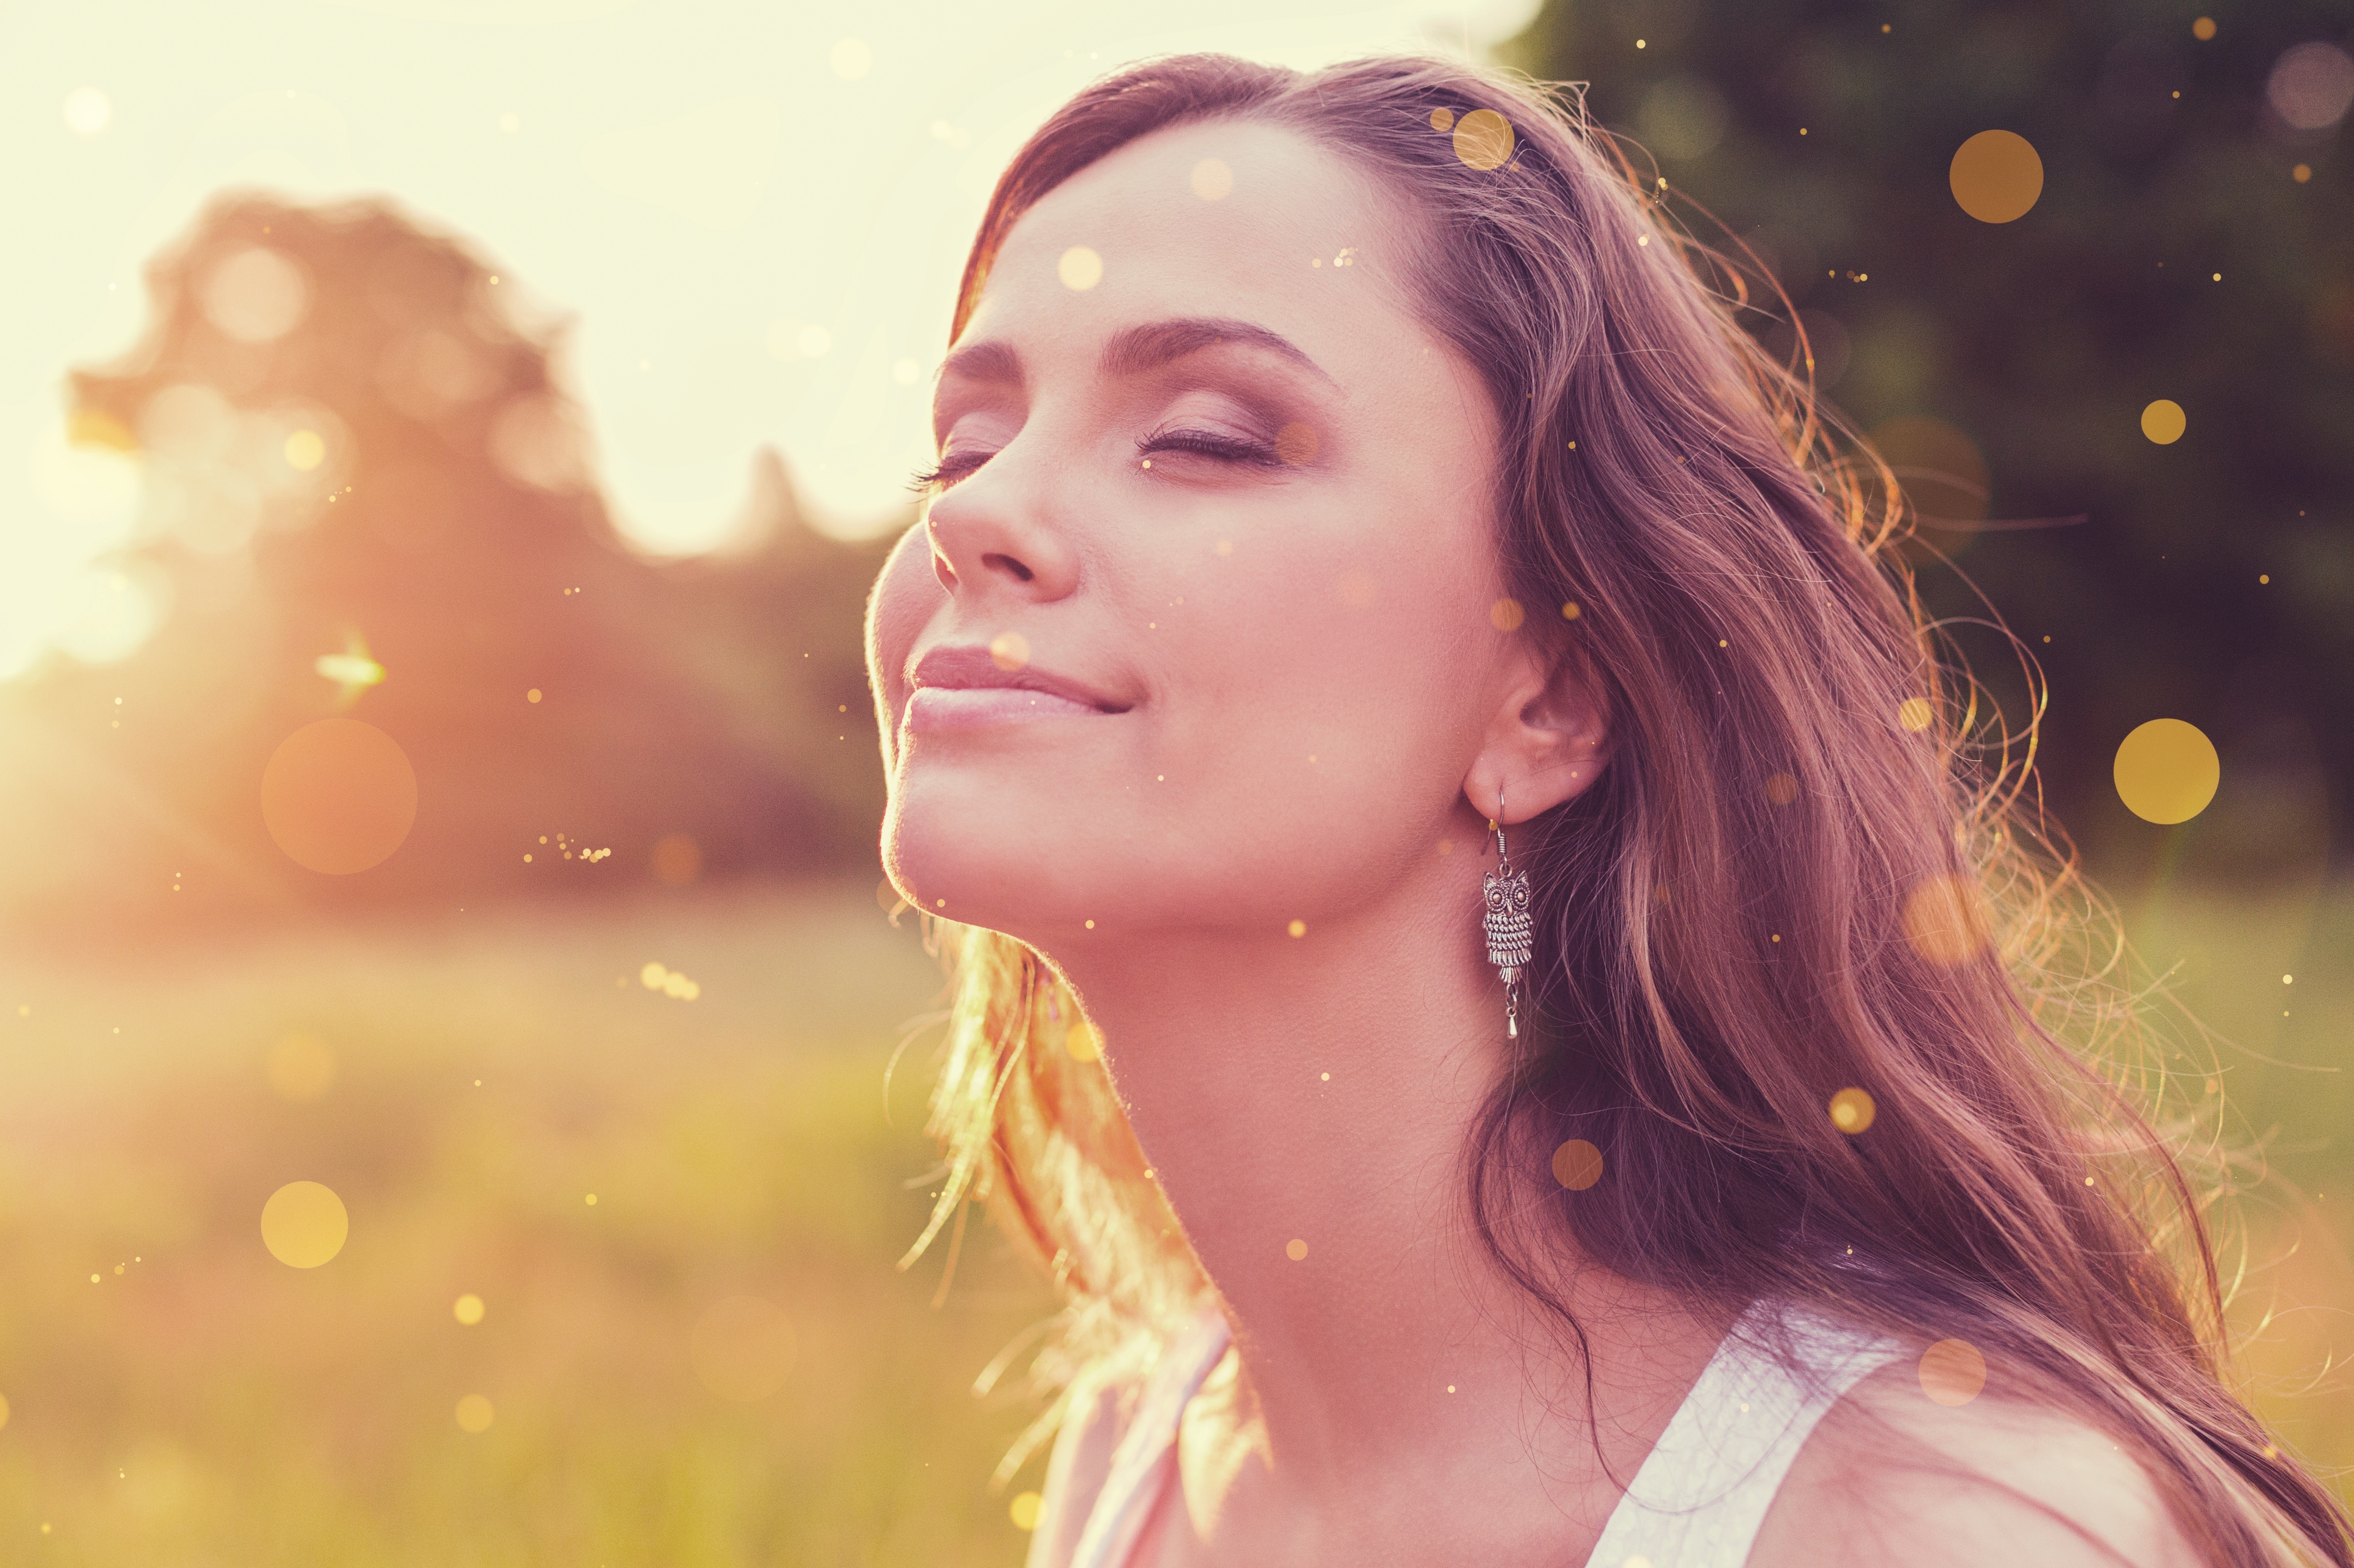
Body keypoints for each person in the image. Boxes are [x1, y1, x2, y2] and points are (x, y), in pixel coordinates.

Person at [862, 52, 2351, 1568]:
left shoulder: (1939, 1531)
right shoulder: (1142, 1461)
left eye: (1205, 437)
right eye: (965, 445)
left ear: (1548, 700)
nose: (970, 510)